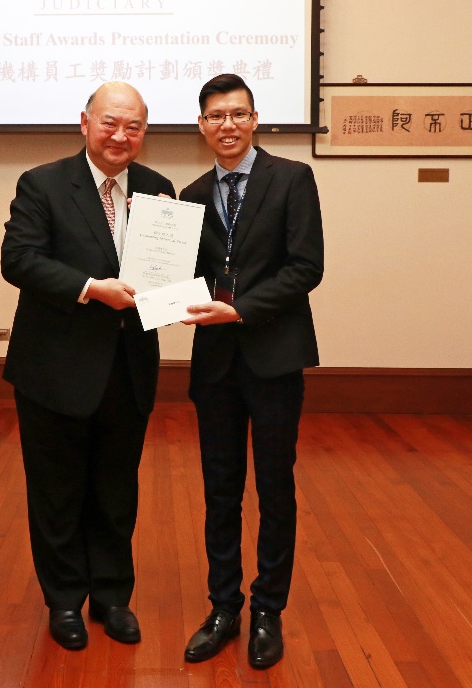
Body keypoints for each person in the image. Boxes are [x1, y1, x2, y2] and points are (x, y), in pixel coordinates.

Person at [1, 81, 175, 651]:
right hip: (54, 368)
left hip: (128, 367)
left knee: (116, 489)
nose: (120, 136)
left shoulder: (158, 189)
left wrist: (181, 296)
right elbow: (19, 260)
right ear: (84, 122)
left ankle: (112, 597)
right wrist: (89, 288)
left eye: (134, 126)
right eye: (110, 123)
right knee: (56, 490)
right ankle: (64, 600)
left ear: (144, 132)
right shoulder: (43, 184)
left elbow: (164, 272)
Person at [179, 73, 324, 669]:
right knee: (219, 491)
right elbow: (181, 275)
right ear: (202, 126)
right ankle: (223, 608)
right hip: (214, 365)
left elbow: (305, 269)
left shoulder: (292, 179)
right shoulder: (188, 196)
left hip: (274, 357)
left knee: (274, 486)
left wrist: (237, 310)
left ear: (255, 118)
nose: (228, 125)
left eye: (237, 114)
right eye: (216, 116)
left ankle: (268, 609)